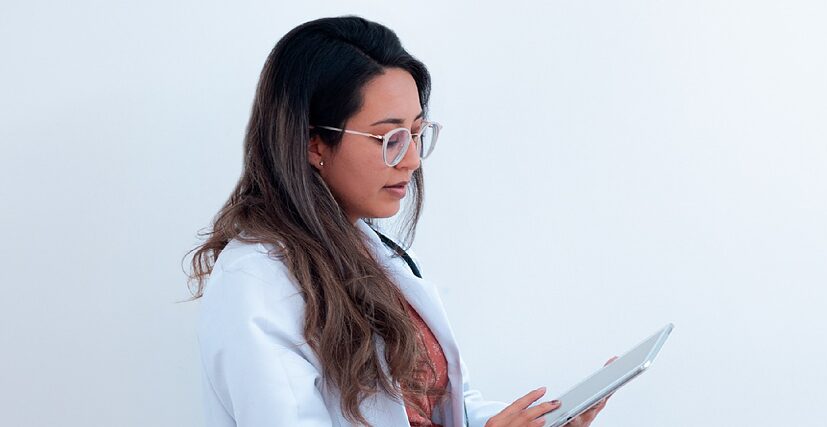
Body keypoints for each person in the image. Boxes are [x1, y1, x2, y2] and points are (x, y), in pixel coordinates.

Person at [185, 16, 614, 427]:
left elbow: (430, 407)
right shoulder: (256, 282)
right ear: (312, 142)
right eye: (389, 138)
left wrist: (535, 420)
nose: (411, 160)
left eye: (416, 133)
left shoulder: (371, 253)